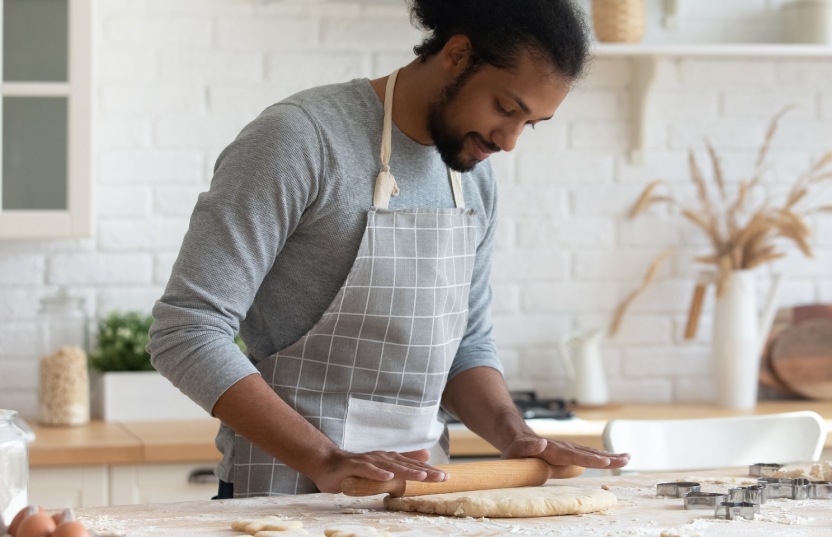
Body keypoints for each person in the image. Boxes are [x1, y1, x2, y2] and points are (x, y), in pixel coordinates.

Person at [148, 0, 630, 498]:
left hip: (421, 501)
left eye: (530, 124)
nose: (508, 142)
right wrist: (326, 459)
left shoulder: (473, 178)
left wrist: (517, 436)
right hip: (281, 496)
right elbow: (186, 331)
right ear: (458, 55)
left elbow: (465, 345)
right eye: (506, 109)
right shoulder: (300, 140)